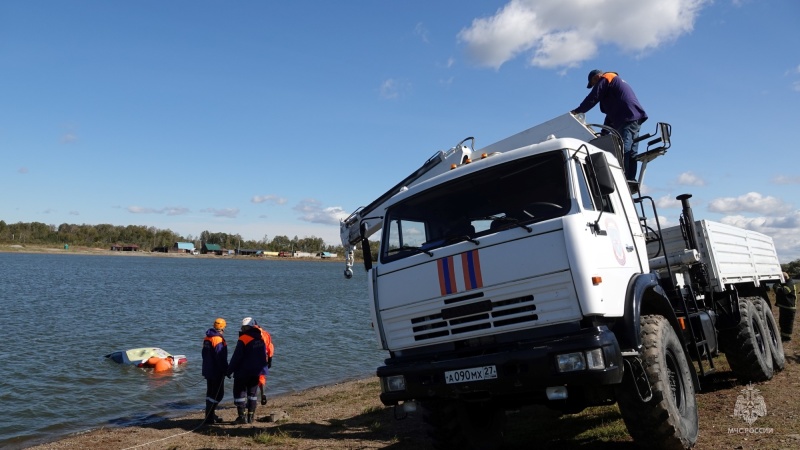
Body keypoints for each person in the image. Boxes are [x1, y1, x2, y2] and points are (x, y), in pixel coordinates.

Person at [571, 69, 648, 181]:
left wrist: (577, 111)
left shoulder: (607, 77)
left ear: (596, 77)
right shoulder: (613, 86)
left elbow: (593, 97)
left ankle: (624, 178)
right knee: (631, 151)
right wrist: (603, 134)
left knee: (624, 149)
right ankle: (631, 179)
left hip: (627, 116)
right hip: (634, 116)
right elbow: (610, 115)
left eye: (593, 84)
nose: (594, 86)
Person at [227, 317, 270, 424]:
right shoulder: (260, 337)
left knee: (239, 394)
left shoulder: (243, 339)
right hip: (256, 371)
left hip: (243, 371)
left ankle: (242, 417)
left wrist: (229, 370)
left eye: (243, 327)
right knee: (252, 394)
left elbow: (236, 357)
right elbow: (264, 354)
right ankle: (251, 417)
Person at [201, 318, 228, 425]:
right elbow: (220, 357)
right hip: (216, 371)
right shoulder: (218, 339)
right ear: (223, 328)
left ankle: (210, 415)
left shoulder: (207, 337)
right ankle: (209, 417)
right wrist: (226, 370)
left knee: (210, 393)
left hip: (208, 369)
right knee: (218, 394)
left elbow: (204, 354)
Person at [774, 272, 797, 341]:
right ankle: (783, 336)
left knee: (788, 323)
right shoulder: (786, 283)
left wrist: (776, 287)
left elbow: (784, 291)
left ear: (784, 278)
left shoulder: (790, 283)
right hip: (784, 306)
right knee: (782, 322)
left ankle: (787, 338)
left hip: (790, 307)